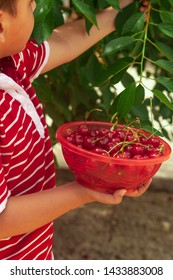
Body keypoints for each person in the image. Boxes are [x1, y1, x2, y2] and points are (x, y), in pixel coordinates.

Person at [0, 0, 151, 260]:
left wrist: (126, 10)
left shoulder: (10, 62)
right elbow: (3, 220)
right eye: (29, 3)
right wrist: (84, 190)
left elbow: (65, 41)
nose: (36, 7)